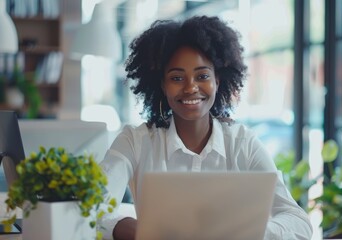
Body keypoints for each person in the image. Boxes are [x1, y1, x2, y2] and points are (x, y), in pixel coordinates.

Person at [100, 15, 313, 240]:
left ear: (217, 81)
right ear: (162, 84)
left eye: (202, 76)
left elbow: (298, 221)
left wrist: (243, 234)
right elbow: (93, 207)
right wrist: (138, 231)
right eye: (176, 78)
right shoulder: (135, 141)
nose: (191, 87)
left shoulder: (243, 143)